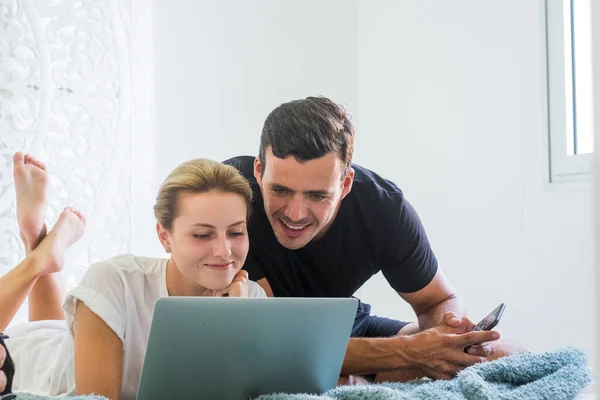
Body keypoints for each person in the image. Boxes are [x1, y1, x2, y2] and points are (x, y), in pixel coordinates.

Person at [225, 96, 522, 382]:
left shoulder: (381, 208)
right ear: (259, 171)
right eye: (280, 190)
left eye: (317, 195)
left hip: (345, 329)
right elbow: (278, 342)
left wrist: (446, 338)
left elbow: (440, 300)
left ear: (345, 185)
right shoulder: (226, 197)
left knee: (506, 353)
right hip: (266, 341)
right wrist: (411, 354)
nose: (295, 213)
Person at [0, 152, 265, 400]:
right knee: (51, 348)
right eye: (202, 235)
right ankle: (37, 261)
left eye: (236, 232)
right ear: (164, 236)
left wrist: (230, 322)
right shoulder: (115, 280)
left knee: (58, 335)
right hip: (22, 365)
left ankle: (37, 241)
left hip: (62, 344)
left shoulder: (249, 298)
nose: (224, 251)